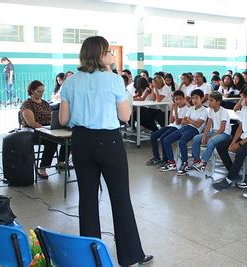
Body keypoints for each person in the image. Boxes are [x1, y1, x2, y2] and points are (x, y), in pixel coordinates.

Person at [58, 36, 152, 265]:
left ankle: (91, 256)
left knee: (87, 199)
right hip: (109, 142)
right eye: (108, 51)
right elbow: (125, 116)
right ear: (100, 55)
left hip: (81, 141)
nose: (111, 55)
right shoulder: (114, 80)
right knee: (120, 198)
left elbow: (63, 119)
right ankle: (130, 255)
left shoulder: (70, 82)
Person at [212, 86, 247, 191]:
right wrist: (233, 142)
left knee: (241, 151)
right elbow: (240, 128)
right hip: (244, 136)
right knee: (221, 146)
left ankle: (229, 179)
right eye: (245, 97)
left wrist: (239, 144)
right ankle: (233, 171)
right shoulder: (245, 109)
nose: (246, 100)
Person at [21, 80, 69, 179]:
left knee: (68, 139)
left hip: (47, 129)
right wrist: (45, 129)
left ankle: (61, 162)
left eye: (43, 91)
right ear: (32, 91)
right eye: (39, 91)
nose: (41, 94)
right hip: (33, 131)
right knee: (51, 142)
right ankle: (42, 168)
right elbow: (31, 123)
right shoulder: (27, 104)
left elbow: (52, 118)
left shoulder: (45, 104)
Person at [159, 89, 208, 175]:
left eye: (197, 98)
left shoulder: (204, 110)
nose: (194, 100)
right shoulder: (191, 108)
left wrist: (188, 119)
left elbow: (198, 125)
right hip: (185, 128)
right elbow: (183, 122)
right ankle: (172, 163)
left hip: (194, 130)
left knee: (182, 141)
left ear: (202, 98)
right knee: (166, 140)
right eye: (192, 98)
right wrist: (190, 120)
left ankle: (184, 163)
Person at [191, 91, 231, 172]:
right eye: (209, 100)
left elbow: (222, 129)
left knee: (211, 141)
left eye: (211, 100)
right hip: (214, 131)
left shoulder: (223, 112)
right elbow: (208, 125)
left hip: (224, 134)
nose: (209, 102)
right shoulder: (211, 110)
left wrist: (210, 137)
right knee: (196, 138)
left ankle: (203, 163)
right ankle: (196, 161)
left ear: (218, 102)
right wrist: (205, 136)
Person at [146, 90, 188, 167]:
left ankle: (166, 159)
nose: (178, 101)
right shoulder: (175, 107)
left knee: (163, 138)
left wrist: (175, 110)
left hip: (178, 128)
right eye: (176, 99)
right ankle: (157, 158)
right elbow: (171, 121)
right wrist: (172, 109)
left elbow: (178, 122)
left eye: (180, 99)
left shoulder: (186, 108)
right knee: (153, 136)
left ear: (184, 98)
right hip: (171, 126)